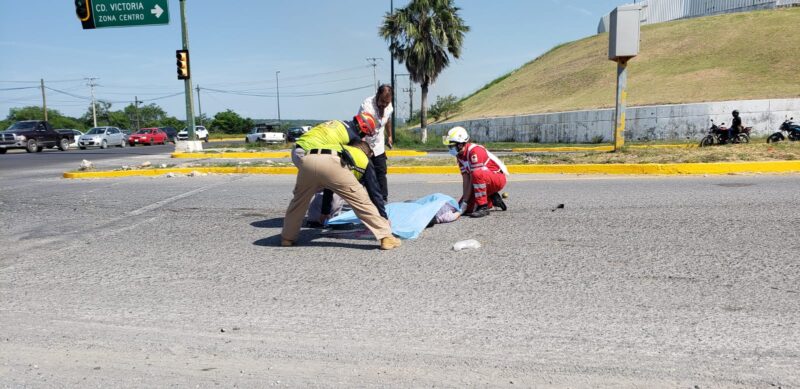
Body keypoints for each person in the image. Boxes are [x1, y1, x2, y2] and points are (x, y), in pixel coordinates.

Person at [281, 126, 402, 250]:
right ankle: (386, 237)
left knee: (298, 202)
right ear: (367, 153)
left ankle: (287, 238)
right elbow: (374, 194)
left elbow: (328, 186)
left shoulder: (342, 147)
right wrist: (384, 218)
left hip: (308, 160)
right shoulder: (364, 158)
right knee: (362, 201)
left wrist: (325, 212)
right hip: (332, 161)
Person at [443, 126, 509, 218]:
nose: (449, 148)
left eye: (451, 145)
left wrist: (467, 200)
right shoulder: (460, 156)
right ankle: (491, 198)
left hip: (496, 178)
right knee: (464, 208)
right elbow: (466, 180)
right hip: (482, 180)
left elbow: (473, 177)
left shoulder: (475, 151)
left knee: (476, 174)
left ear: (460, 144)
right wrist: (465, 201)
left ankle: (483, 207)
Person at [292, 112, 378, 167]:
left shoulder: (339, 122)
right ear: (363, 128)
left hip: (297, 149)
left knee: (309, 188)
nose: (363, 136)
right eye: (365, 133)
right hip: (307, 154)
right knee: (329, 184)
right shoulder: (353, 137)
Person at [358, 85, 394, 201]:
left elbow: (387, 120)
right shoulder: (367, 106)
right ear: (377, 95)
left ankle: (383, 199)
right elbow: (361, 129)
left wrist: (389, 136)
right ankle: (359, 200)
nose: (384, 105)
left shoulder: (389, 106)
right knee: (363, 174)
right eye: (382, 101)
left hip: (378, 144)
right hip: (365, 143)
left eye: (387, 102)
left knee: (381, 171)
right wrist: (364, 149)